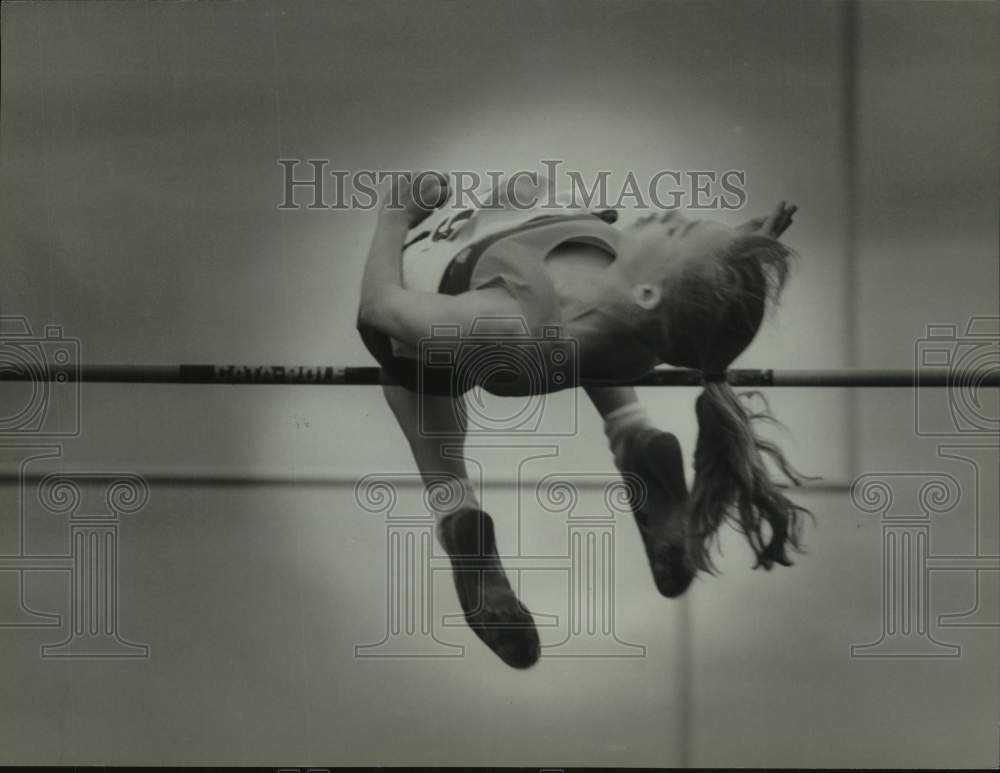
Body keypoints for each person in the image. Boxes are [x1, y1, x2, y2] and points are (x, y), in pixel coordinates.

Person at [356, 171, 810, 669]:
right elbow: (696, 307)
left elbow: (378, 307)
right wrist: (731, 257)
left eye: (678, 230)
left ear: (649, 292)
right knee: (606, 322)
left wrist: (395, 214)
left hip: (480, 318)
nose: (672, 215)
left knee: (404, 371)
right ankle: (634, 432)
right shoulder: (657, 324)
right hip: (562, 276)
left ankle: (456, 510)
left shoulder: (504, 324)